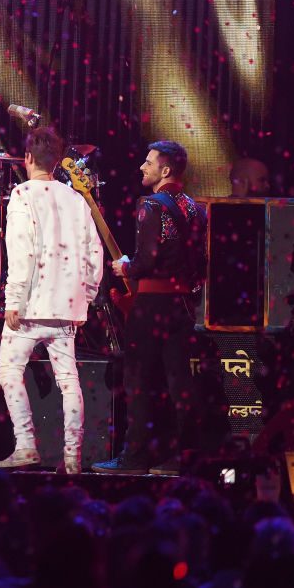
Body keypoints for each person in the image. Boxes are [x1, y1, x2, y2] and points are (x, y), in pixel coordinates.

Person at [0, 127, 104, 474]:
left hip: (31, 306)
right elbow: (94, 252)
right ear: (56, 162)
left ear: (27, 158)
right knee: (68, 380)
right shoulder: (76, 199)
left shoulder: (22, 194)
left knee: (10, 371)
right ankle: (72, 457)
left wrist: (13, 299)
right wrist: (86, 297)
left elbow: (21, 250)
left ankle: (26, 446)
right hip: (65, 305)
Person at [92, 140, 206, 475]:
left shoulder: (150, 205)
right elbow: (200, 262)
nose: (142, 167)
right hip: (183, 306)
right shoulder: (196, 208)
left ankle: (135, 458)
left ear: (165, 170)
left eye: (149, 162)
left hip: (153, 304)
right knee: (179, 383)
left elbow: (147, 260)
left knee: (138, 382)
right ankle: (184, 457)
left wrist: (125, 267)